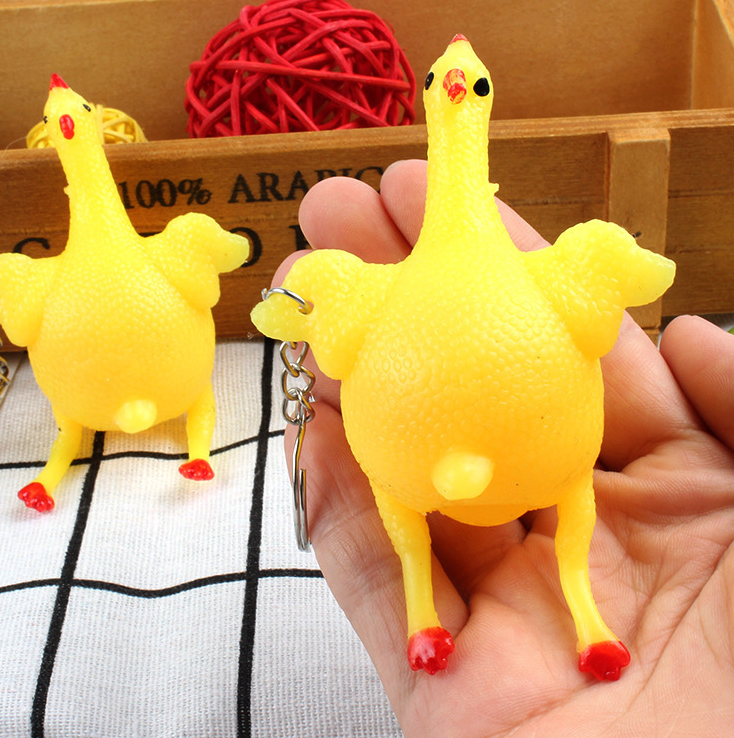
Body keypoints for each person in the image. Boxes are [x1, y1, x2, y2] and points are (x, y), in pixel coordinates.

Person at [269, 159, 734, 737]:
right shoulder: (384, 294)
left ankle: (585, 617)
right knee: (412, 525)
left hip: (538, 463)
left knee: (564, 502)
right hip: (414, 468)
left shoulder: (550, 282)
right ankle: (424, 615)